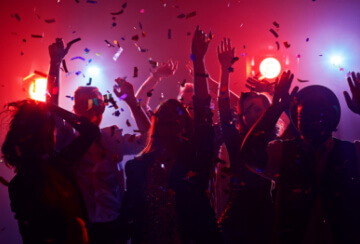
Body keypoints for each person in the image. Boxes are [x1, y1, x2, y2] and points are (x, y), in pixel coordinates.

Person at [119, 26, 223, 244]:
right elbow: (129, 217)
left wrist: (199, 61)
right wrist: (133, 99)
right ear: (155, 124)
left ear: (184, 124)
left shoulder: (196, 157)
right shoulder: (137, 167)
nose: (170, 115)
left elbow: (203, 110)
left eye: (178, 113)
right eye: (163, 112)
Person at [46, 38, 151, 243]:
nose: (95, 108)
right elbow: (50, 108)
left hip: (117, 231)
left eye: (100, 102)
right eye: (87, 103)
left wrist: (131, 101)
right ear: (75, 110)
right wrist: (55, 63)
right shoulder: (68, 139)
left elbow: (149, 140)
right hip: (82, 232)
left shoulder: (111, 138)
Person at [240, 71, 360, 243]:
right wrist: (276, 108)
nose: (315, 120)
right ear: (297, 120)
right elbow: (250, 156)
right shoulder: (281, 152)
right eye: (308, 114)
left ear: (335, 118)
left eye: (321, 113)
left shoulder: (354, 152)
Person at [2, 99, 100, 244]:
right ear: (32, 140)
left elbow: (90, 132)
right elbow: (32, 236)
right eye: (44, 138)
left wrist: (53, 108)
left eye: (51, 136)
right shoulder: (20, 186)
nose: (48, 144)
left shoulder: (60, 163)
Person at [216, 38, 277, 243]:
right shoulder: (237, 143)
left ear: (268, 111)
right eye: (247, 111)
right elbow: (224, 111)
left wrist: (277, 95)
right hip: (238, 224)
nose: (252, 114)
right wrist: (225, 70)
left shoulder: (279, 144)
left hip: (270, 221)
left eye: (258, 108)